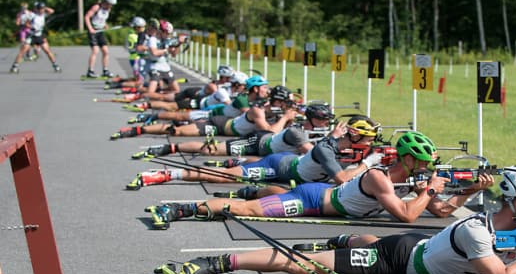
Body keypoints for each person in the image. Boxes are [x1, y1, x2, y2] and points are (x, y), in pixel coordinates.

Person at [159, 165, 516, 274]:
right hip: (399, 260)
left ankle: (341, 237)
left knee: (366, 239)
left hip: (421, 246)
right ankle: (213, 263)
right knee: (306, 268)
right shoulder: (476, 231)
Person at [145, 130, 493, 229]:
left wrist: (472, 190)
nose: (427, 166)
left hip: (327, 197)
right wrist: (429, 190)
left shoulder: (410, 183)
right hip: (314, 200)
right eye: (422, 161)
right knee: (248, 210)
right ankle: (180, 208)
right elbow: (407, 216)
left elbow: (443, 211)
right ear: (406, 159)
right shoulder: (378, 178)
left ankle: (260, 189)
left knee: (257, 201)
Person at [125, 114, 373, 190]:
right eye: (368, 138)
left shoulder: (339, 143)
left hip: (288, 166)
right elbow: (341, 179)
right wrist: (368, 164)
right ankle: (166, 174)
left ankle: (238, 162)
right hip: (278, 166)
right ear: (353, 134)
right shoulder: (325, 149)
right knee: (223, 176)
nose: (371, 143)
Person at [110, 75, 293, 141]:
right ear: (254, 89)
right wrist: (281, 116)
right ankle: (145, 122)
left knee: (178, 127)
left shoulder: (256, 102)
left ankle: (147, 123)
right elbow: (258, 120)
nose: (267, 91)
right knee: (178, 119)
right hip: (212, 114)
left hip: (224, 120)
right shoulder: (245, 100)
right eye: (264, 87)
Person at [130, 102, 334, 159]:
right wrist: (285, 117)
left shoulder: (306, 128)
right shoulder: (297, 130)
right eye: (323, 120)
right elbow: (312, 153)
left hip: (270, 152)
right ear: (313, 119)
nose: (326, 124)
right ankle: (170, 148)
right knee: (211, 149)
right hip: (258, 141)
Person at [9, 2, 61, 74]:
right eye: (40, 9)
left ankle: (55, 65)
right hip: (31, 35)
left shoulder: (43, 14)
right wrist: (31, 27)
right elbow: (26, 23)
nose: (41, 10)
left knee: (47, 51)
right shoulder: (32, 15)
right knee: (23, 51)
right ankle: (14, 66)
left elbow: (52, 11)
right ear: (37, 9)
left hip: (39, 35)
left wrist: (44, 7)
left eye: (42, 9)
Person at [84, 0, 117, 78]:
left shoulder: (107, 10)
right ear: (106, 2)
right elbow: (87, 17)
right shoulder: (96, 7)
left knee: (106, 51)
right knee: (95, 51)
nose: (111, 6)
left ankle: (105, 70)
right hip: (93, 31)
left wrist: (105, 25)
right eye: (110, 4)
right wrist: (90, 28)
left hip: (100, 31)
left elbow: (102, 19)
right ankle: (90, 71)